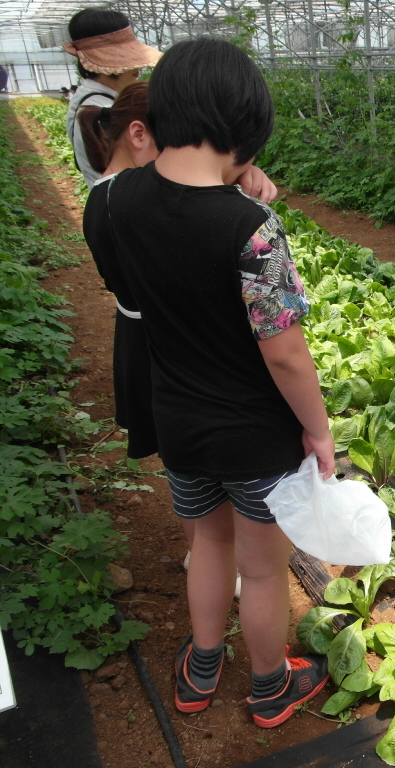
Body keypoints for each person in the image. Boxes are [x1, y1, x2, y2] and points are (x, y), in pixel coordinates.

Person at [82, 37, 333, 728]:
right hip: (256, 437)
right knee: (261, 569)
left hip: (178, 423)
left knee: (206, 545)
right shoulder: (250, 228)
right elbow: (284, 353)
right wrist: (317, 429)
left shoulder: (111, 202)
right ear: (245, 129)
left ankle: (200, 666)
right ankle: (269, 685)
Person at [80, 82, 279, 599]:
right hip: (163, 341)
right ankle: (209, 558)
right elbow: (193, 226)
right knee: (191, 471)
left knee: (190, 466)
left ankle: (212, 557)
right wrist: (231, 188)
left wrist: (236, 177)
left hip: (159, 337)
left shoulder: (122, 195)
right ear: (144, 135)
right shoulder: (116, 202)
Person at [64, 9, 161, 187]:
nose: (137, 71)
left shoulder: (86, 98)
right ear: (109, 63)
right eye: (128, 60)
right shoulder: (102, 108)